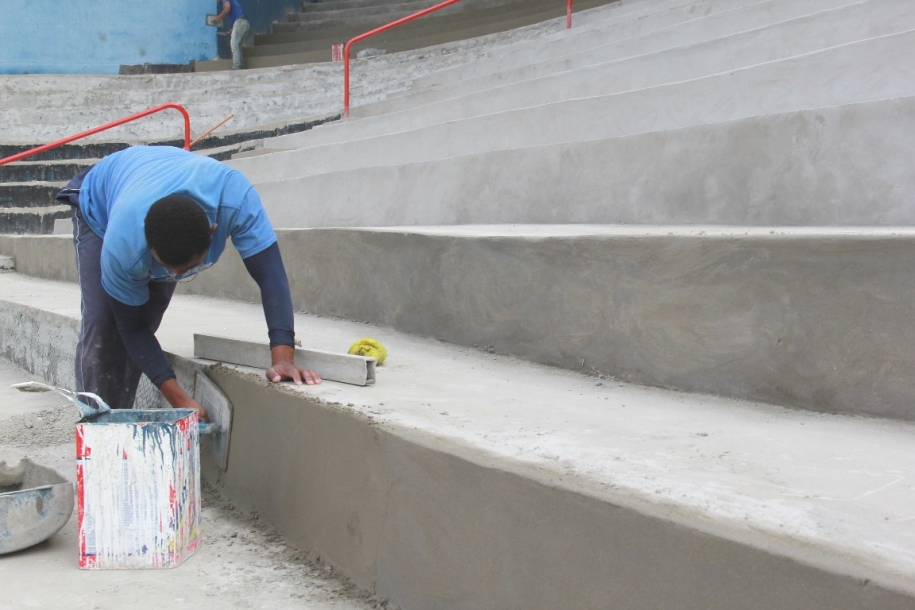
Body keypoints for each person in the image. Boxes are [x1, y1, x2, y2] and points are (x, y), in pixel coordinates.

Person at [56, 145, 321, 422]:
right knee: (103, 324)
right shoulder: (123, 243)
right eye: (166, 267)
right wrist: (179, 399)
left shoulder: (235, 199)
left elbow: (270, 275)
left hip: (159, 182)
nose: (175, 275)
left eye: (188, 268)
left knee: (146, 319)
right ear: (149, 243)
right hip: (99, 200)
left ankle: (121, 415)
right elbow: (130, 328)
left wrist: (282, 357)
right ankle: (95, 427)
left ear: (212, 231)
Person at [212, 0, 250, 70]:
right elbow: (239, 16)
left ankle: (236, 65)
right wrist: (233, 29)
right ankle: (239, 65)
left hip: (240, 22)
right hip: (244, 23)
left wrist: (218, 18)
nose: (216, 1)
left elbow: (227, 7)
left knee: (234, 44)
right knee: (238, 46)